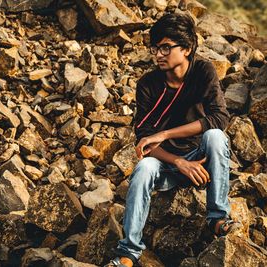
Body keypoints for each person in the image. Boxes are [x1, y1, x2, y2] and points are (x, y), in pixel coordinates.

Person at [105, 12, 240, 267]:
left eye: (166, 47)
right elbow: (143, 140)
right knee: (143, 168)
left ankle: (218, 217)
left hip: (201, 160)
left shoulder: (203, 71)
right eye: (155, 48)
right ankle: (129, 253)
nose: (158, 54)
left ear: (187, 48)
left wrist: (165, 134)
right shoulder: (148, 84)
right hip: (166, 163)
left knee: (215, 136)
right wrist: (178, 161)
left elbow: (220, 117)